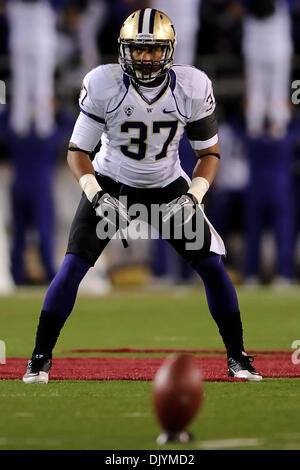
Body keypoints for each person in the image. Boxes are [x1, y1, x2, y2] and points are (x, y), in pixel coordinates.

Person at [23, 8, 262, 384]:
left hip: (167, 187)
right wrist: (94, 192)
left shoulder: (192, 86)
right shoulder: (104, 84)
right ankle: (39, 358)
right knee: (72, 268)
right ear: (124, 50)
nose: (146, 57)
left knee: (213, 268)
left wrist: (195, 195)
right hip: (112, 183)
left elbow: (208, 154)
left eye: (154, 50)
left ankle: (238, 357)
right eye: (138, 49)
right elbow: (77, 152)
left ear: (169, 51)